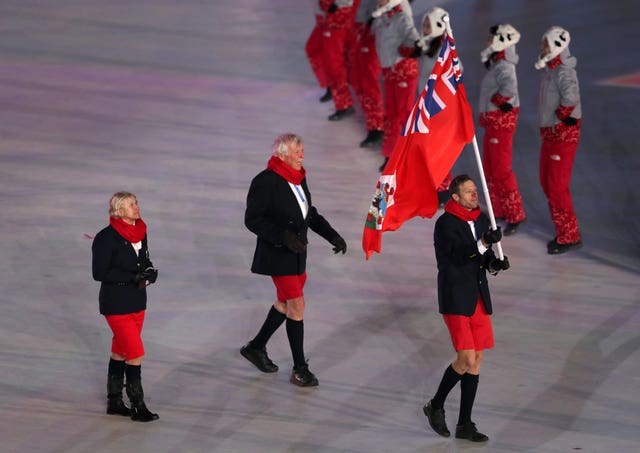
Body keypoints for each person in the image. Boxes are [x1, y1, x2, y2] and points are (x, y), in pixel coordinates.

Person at [241, 133, 347, 387]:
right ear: (282, 154)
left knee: (284, 303)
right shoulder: (266, 181)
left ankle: (255, 347)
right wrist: (283, 237)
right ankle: (300, 369)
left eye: (302, 150)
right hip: (278, 255)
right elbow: (253, 220)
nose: (302, 155)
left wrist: (332, 235)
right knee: (297, 306)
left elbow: (308, 213)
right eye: (297, 150)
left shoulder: (298, 178)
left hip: (297, 255)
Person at [423, 174, 509, 442]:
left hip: (478, 297)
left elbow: (479, 261)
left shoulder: (480, 220)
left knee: (477, 361)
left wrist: (494, 265)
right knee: (466, 359)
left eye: (475, 191)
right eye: (469, 192)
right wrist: (483, 243)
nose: (475, 195)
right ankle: (435, 405)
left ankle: (464, 424)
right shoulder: (445, 224)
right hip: (456, 298)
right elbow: (457, 257)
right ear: (455, 197)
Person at [92, 192, 159, 422]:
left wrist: (148, 271)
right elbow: (99, 273)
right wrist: (132, 276)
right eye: (131, 205)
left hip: (137, 301)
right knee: (135, 352)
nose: (136, 207)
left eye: (136, 203)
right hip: (116, 303)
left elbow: (144, 259)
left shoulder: (141, 231)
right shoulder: (105, 238)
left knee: (120, 349)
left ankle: (114, 401)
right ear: (119, 210)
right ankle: (138, 405)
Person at [535, 26, 583, 254]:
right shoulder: (552, 71)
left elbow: (571, 97)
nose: (542, 48)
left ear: (556, 45)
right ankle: (564, 230)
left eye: (545, 43)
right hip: (552, 134)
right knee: (547, 182)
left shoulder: (563, 71)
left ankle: (569, 235)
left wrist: (562, 117)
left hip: (562, 134)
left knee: (556, 185)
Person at [478, 24, 526, 235]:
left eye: (491, 38)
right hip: (493, 123)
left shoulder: (504, 65)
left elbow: (509, 89)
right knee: (490, 169)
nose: (487, 41)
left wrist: (497, 100)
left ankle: (516, 215)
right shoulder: (497, 63)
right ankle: (497, 210)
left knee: (501, 170)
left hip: (501, 124)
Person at [371, 0, 420, 172]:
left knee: (403, 115)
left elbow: (414, 41)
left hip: (403, 71)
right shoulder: (383, 16)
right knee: (392, 114)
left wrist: (402, 53)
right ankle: (391, 155)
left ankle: (407, 157)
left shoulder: (401, 17)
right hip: (390, 71)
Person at [415, 6, 453, 205]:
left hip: (438, 110)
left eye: (429, 25)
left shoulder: (444, 50)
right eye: (424, 24)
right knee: (427, 151)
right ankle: (434, 187)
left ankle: (443, 190)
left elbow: (456, 71)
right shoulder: (428, 46)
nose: (425, 28)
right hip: (425, 107)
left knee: (437, 151)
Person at [350, 0, 385, 147]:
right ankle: (374, 122)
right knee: (357, 80)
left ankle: (377, 127)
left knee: (369, 83)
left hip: (375, 34)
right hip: (361, 30)